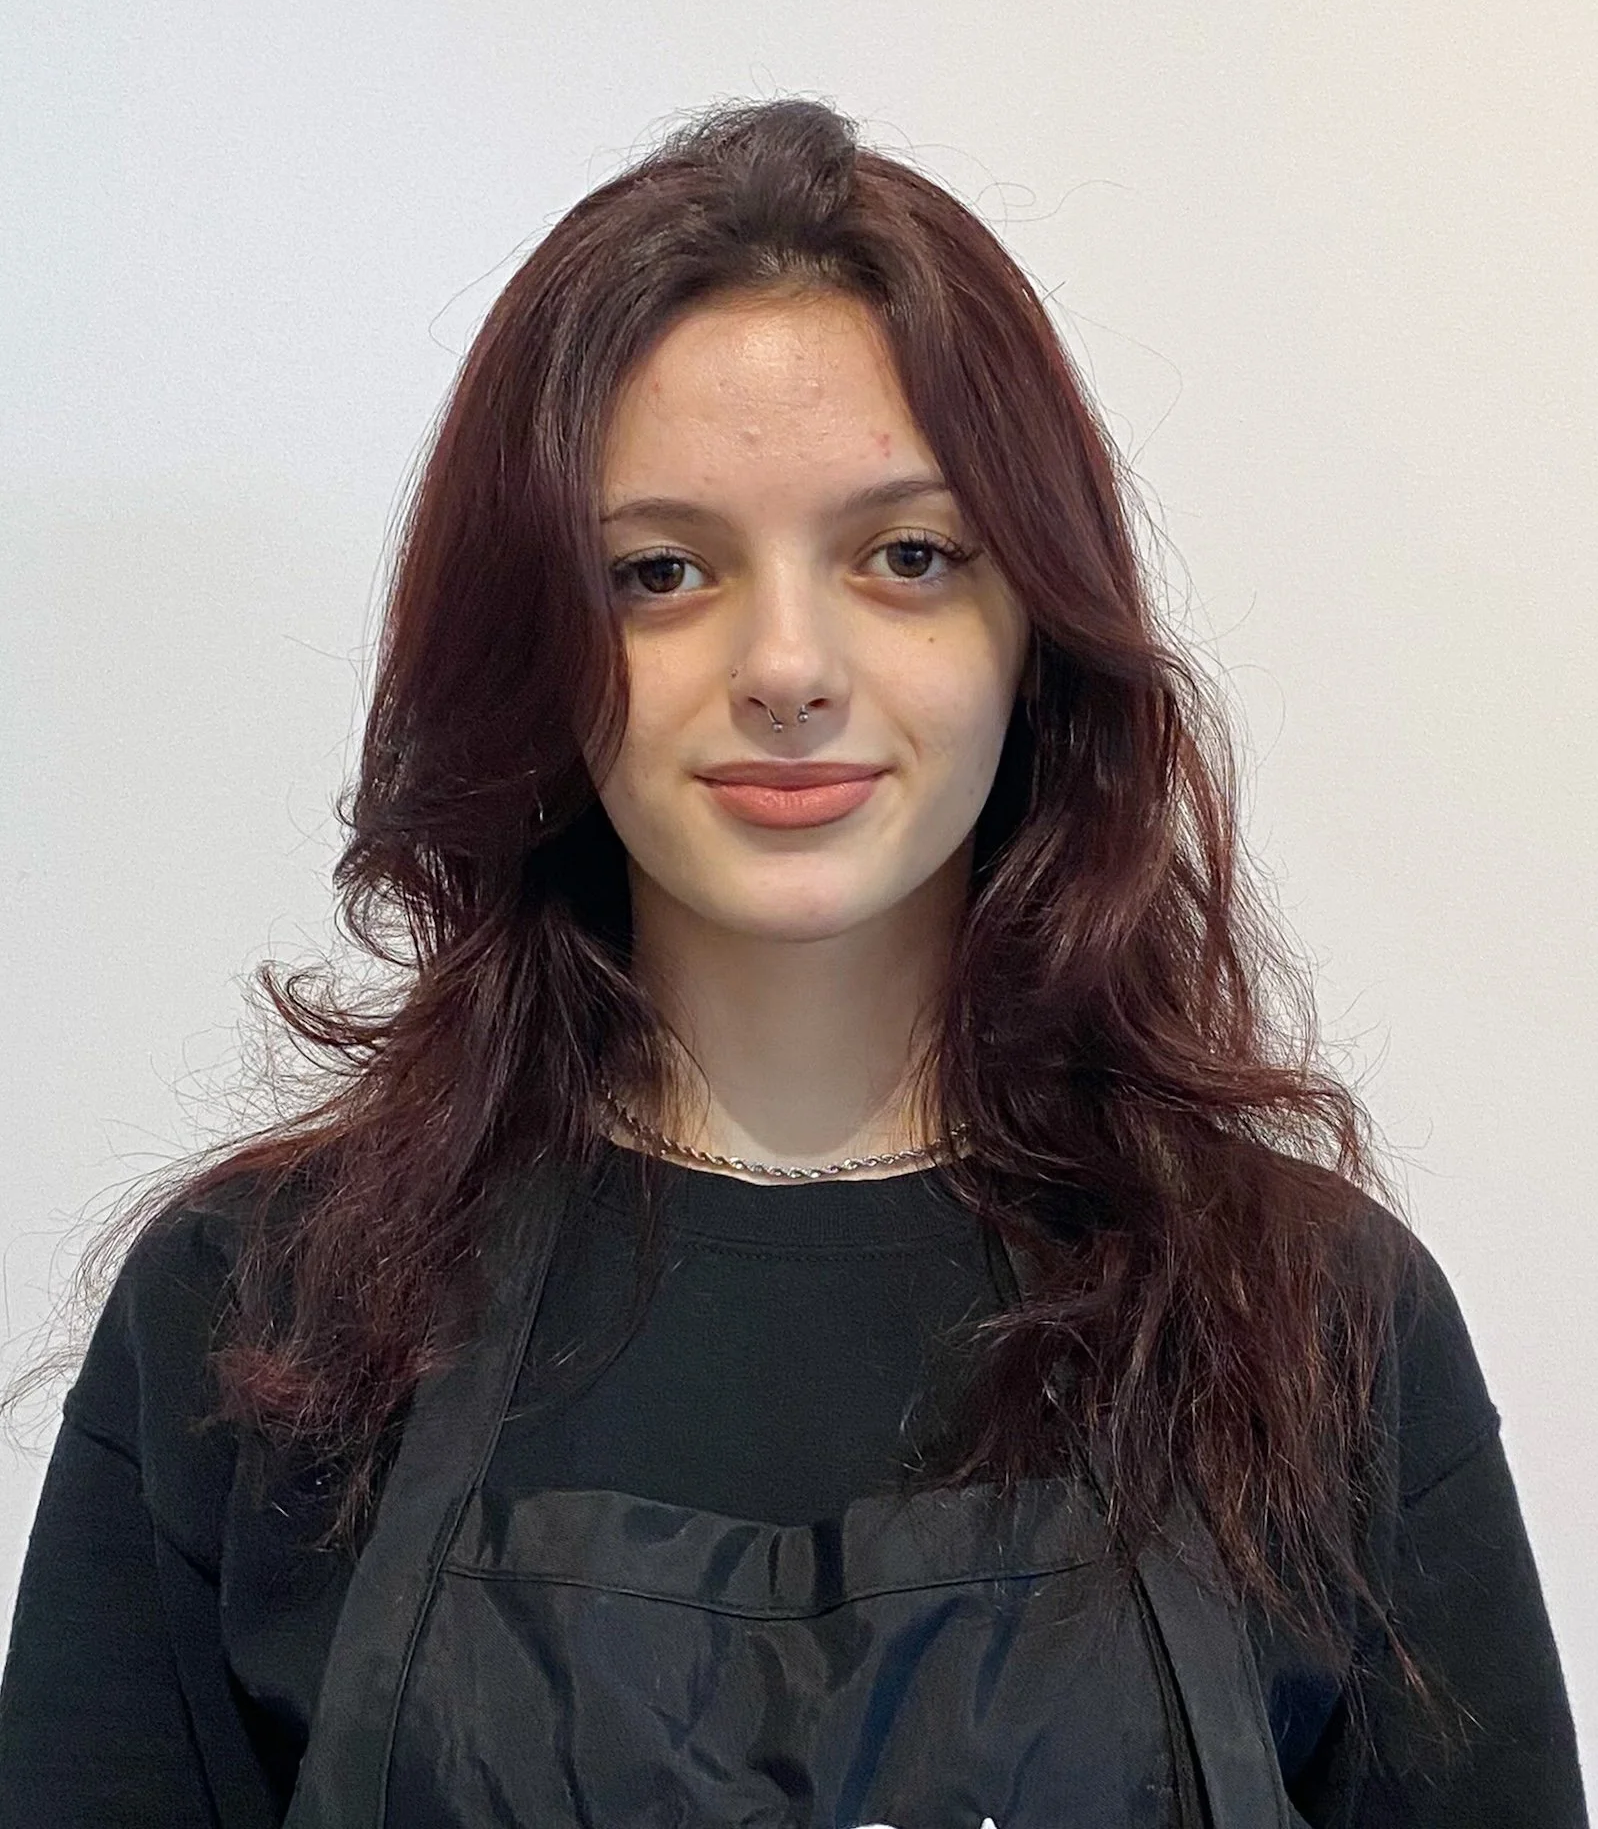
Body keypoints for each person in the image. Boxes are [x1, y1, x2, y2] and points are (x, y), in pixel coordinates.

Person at [0, 97, 1585, 1829]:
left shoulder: (1307, 1321)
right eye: (658, 571)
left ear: (1036, 631)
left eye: (904, 556)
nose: (785, 665)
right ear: (531, 645)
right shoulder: (258, 1320)